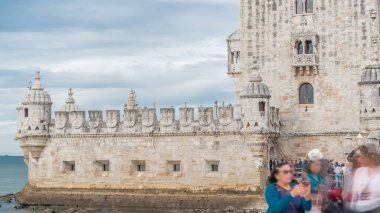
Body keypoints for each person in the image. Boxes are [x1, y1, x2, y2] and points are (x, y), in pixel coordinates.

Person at [345, 144, 380, 212]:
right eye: (358, 157)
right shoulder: (359, 171)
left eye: (360, 157)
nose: (358, 159)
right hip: (357, 207)